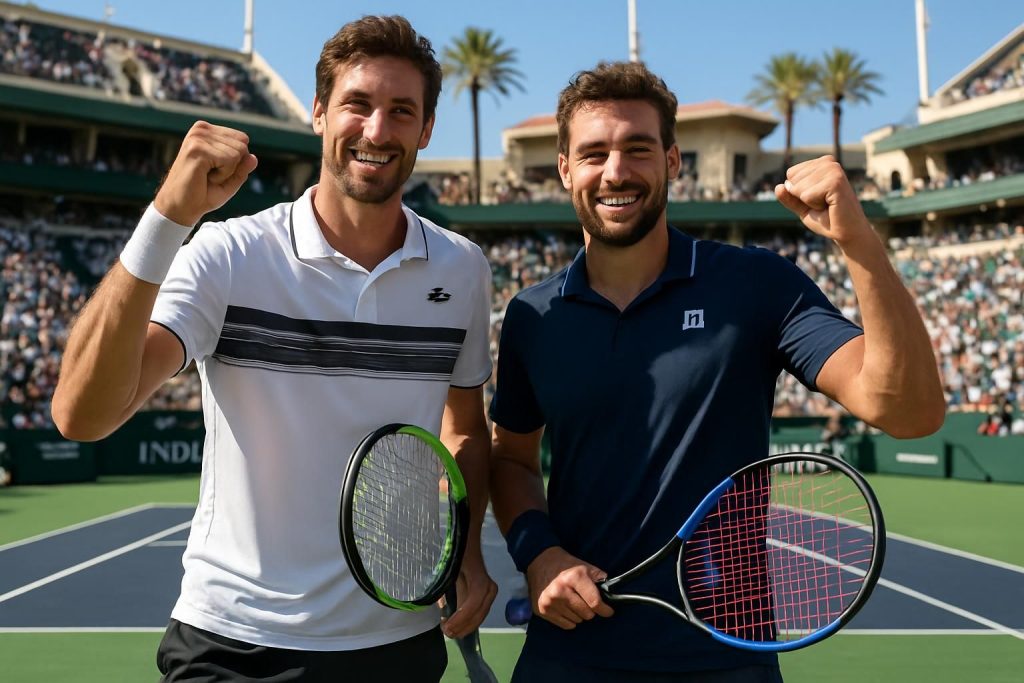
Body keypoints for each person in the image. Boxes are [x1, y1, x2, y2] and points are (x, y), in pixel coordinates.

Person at [52, 15, 496, 682]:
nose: (377, 130)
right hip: (233, 644)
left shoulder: (461, 270)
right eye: (357, 104)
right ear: (319, 113)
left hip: (396, 638)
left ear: (426, 129)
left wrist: (464, 543)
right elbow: (81, 415)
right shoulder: (228, 255)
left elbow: (464, 428)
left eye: (401, 111)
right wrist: (167, 220)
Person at [488, 61, 945, 682]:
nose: (616, 171)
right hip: (568, 654)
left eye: (638, 150)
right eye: (594, 153)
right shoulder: (532, 316)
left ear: (674, 161)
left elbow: (909, 411)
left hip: (726, 658)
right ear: (565, 167)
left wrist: (860, 243)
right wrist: (539, 556)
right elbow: (512, 460)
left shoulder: (756, 284)